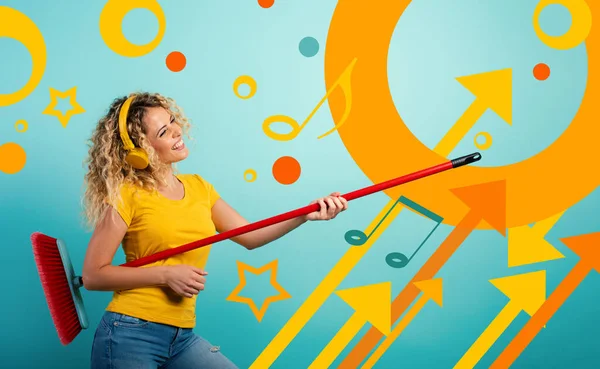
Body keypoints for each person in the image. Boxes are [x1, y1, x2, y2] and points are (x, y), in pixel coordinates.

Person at [80, 92, 348, 368]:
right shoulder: (127, 196)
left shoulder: (199, 188)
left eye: (172, 121)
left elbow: (250, 235)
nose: (176, 131)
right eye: (163, 132)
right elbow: (92, 275)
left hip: (181, 336)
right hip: (129, 332)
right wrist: (166, 274)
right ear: (141, 150)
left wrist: (305, 214)